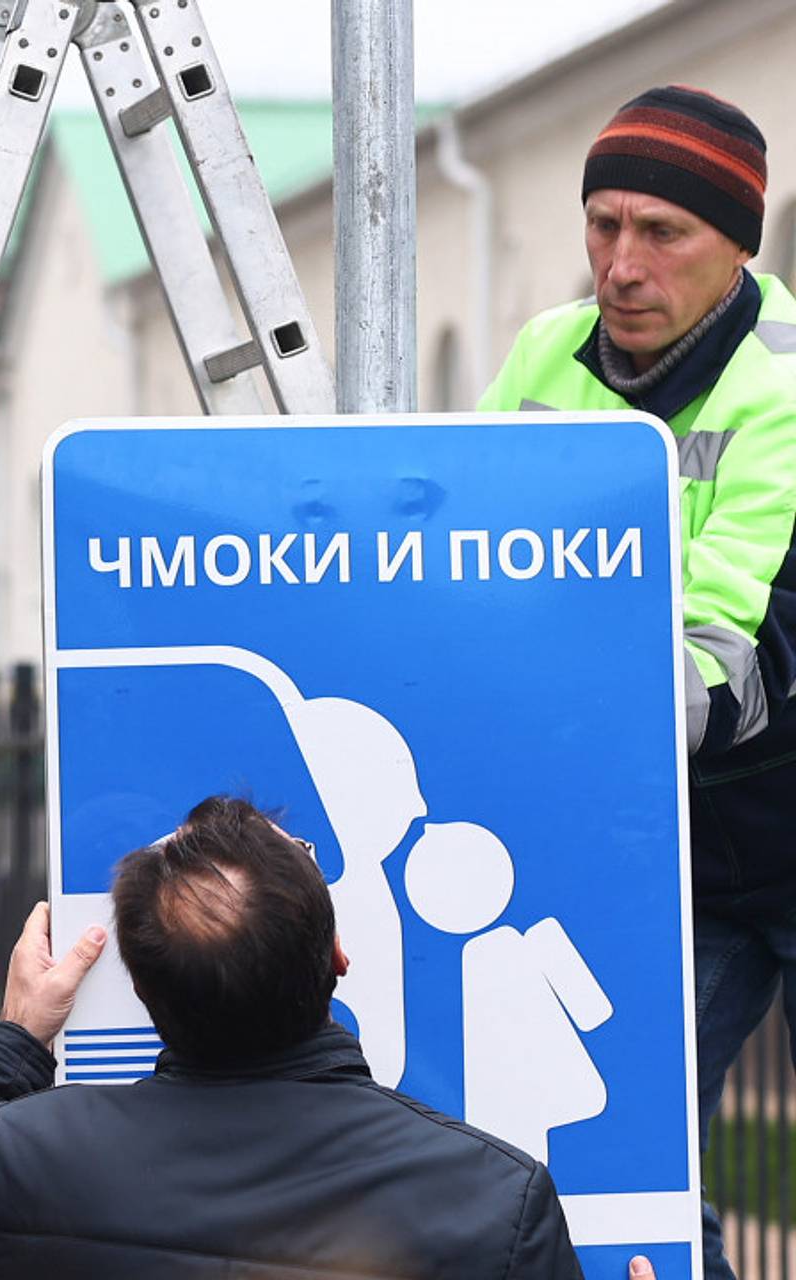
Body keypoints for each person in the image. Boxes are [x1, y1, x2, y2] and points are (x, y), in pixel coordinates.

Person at [478, 85, 796, 1280]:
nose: (618, 264)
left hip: (766, 816)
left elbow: (723, 658)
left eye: (659, 232)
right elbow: (471, 559)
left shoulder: (782, 383)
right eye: (601, 224)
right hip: (659, 854)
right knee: (621, 1148)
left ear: (735, 247)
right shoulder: (537, 356)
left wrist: (543, 694)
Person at [0, 796, 585, 1279]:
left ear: (145, 993)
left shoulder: (31, 1155)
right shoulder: (495, 1204)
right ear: (339, 959)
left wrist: (15, 1039)